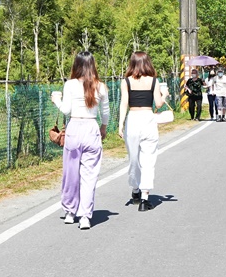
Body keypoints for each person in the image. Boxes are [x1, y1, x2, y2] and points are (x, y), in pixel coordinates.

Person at [51, 51, 109, 230]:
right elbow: (105, 112)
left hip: (75, 128)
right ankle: (85, 216)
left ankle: (70, 212)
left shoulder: (70, 85)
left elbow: (66, 110)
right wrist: (103, 128)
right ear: (93, 65)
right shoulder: (101, 86)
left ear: (76, 65)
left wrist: (56, 100)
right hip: (92, 128)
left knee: (71, 172)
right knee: (89, 175)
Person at [119, 51, 169, 212]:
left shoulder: (125, 81)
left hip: (132, 118)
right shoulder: (154, 81)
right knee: (148, 158)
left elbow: (124, 104)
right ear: (147, 62)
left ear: (132, 63)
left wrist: (120, 124)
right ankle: (144, 197)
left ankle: (135, 190)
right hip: (148, 118)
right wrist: (165, 94)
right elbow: (159, 104)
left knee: (134, 158)